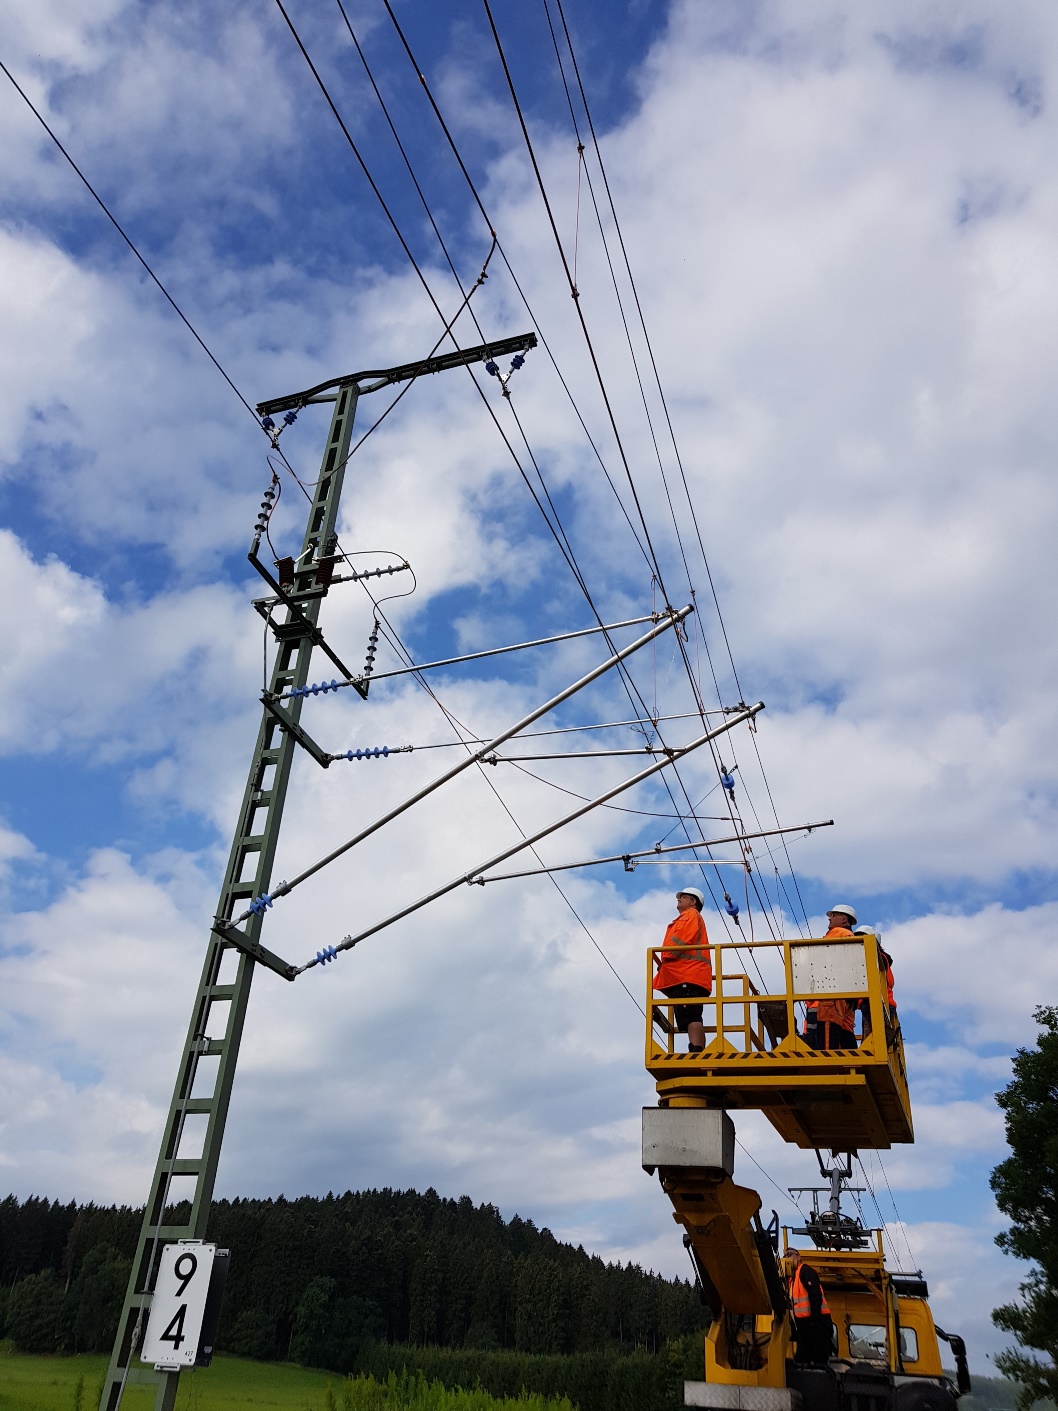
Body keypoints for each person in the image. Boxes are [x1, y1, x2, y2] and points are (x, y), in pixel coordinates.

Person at [654, 888, 712, 1053]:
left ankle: (696, 1050)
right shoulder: (690, 917)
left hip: (687, 975)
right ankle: (698, 1048)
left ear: (693, 902)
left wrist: (666, 957)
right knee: (691, 1015)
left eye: (683, 897)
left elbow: (680, 941)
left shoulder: (690, 915)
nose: (679, 899)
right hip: (688, 975)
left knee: (691, 1015)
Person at [804, 904, 858, 1050]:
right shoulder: (850, 937)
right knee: (843, 1033)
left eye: (833, 915)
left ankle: (827, 1063)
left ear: (843, 919)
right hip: (844, 995)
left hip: (830, 992)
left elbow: (823, 957)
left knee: (827, 1030)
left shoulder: (838, 933)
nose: (829, 918)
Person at [788, 1249, 834, 1365]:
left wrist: (814, 1319)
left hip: (817, 1323)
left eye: (790, 1255)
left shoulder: (805, 1272)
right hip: (804, 1325)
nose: (788, 1258)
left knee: (819, 1357)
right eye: (786, 1255)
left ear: (798, 1257)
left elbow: (815, 1295)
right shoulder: (791, 1279)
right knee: (803, 1357)